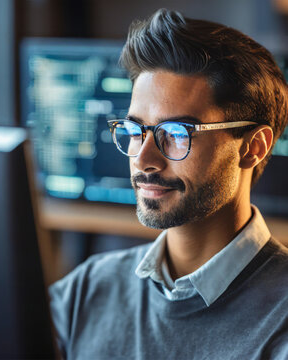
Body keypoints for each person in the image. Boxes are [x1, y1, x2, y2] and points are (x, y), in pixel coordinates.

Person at [49, 8, 288, 359]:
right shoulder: (88, 289)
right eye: (135, 131)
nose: (144, 160)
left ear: (253, 147)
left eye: (176, 134)